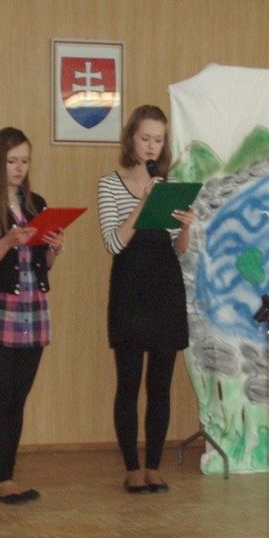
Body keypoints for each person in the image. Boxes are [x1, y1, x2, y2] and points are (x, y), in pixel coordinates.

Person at [0, 127, 65, 505]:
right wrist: (7, 240)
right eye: (11, 161)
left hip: (33, 309)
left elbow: (42, 265)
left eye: (24, 161)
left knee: (18, 398)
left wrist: (54, 248)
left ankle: (10, 475)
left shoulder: (36, 203)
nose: (19, 168)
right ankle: (1, 479)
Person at [97, 105, 193, 494]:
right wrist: (143, 202)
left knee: (160, 384)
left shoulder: (171, 185)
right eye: (145, 138)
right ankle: (132, 468)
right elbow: (114, 243)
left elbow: (180, 249)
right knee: (129, 381)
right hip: (130, 285)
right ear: (130, 139)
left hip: (165, 284)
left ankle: (153, 465)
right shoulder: (110, 183)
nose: (152, 146)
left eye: (159, 140)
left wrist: (186, 227)